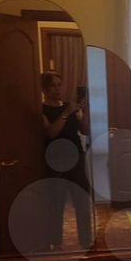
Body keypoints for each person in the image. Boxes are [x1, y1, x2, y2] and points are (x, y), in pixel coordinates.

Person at [41, 71, 94, 250]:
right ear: (44, 89)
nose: (57, 89)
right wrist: (66, 113)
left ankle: (86, 241)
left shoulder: (70, 107)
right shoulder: (42, 110)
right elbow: (50, 133)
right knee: (57, 203)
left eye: (59, 85)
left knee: (82, 201)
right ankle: (55, 243)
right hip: (55, 162)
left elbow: (85, 130)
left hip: (76, 158)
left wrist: (84, 112)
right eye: (52, 86)